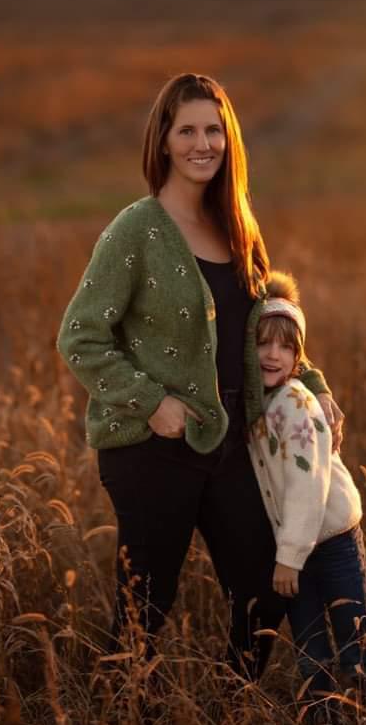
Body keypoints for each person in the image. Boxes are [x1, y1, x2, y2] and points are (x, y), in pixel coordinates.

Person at [57, 72, 343, 680]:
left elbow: (267, 330)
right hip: (151, 449)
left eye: (213, 130)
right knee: (144, 610)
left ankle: (224, 716)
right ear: (163, 140)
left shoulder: (239, 229)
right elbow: (80, 336)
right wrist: (151, 402)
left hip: (232, 441)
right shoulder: (135, 229)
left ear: (229, 139)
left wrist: (314, 386)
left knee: (265, 591)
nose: (201, 143)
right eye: (186, 130)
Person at [247, 270, 366, 715]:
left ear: (299, 358)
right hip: (292, 547)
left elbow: (309, 487)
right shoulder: (256, 405)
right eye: (263, 343)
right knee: (310, 648)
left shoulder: (295, 403)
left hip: (330, 542)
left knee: (354, 637)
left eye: (286, 347)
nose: (273, 355)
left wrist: (288, 555)